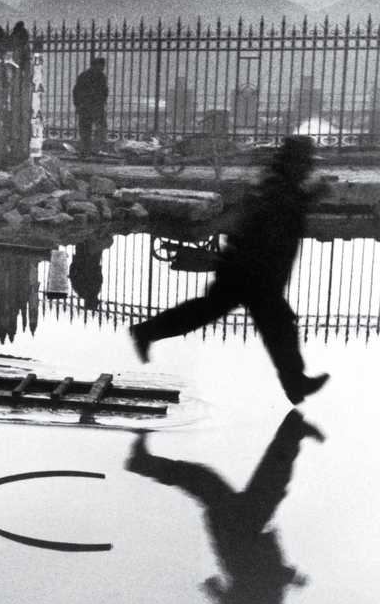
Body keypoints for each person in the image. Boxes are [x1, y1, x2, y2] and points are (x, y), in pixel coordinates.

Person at [130, 136, 329, 405]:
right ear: (293, 163)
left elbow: (278, 210)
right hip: (251, 272)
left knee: (216, 313)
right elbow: (277, 215)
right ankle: (295, 383)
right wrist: (310, 196)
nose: (307, 168)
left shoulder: (278, 184)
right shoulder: (277, 188)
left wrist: (307, 196)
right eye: (304, 162)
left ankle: (147, 332)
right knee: (277, 326)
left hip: (250, 270)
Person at [126, 410, 324, 604]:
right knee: (247, 480)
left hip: (240, 529)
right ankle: (293, 430)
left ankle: (294, 429)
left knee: (260, 480)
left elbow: (262, 578)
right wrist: (288, 579)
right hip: (241, 528)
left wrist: (291, 578)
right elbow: (219, 589)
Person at [72, 57, 108, 156]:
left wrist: (77, 105)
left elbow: (76, 92)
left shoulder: (85, 76)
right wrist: (78, 105)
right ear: (95, 65)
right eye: (101, 65)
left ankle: (89, 149)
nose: (103, 68)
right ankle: (91, 149)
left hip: (89, 107)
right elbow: (76, 91)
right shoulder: (97, 76)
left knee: (89, 129)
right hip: (91, 107)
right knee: (93, 129)